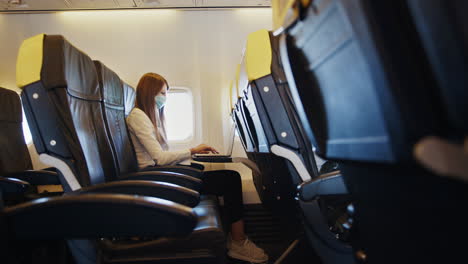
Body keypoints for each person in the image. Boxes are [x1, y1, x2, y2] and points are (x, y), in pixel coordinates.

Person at [126, 72, 268, 263]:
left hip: (164, 174)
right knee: (231, 179)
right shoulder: (138, 117)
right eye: (162, 93)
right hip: (156, 179)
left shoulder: (151, 119)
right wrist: (193, 150)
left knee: (223, 176)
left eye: (166, 94)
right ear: (148, 92)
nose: (164, 98)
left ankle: (236, 240)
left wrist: (192, 157)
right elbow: (159, 158)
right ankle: (238, 242)